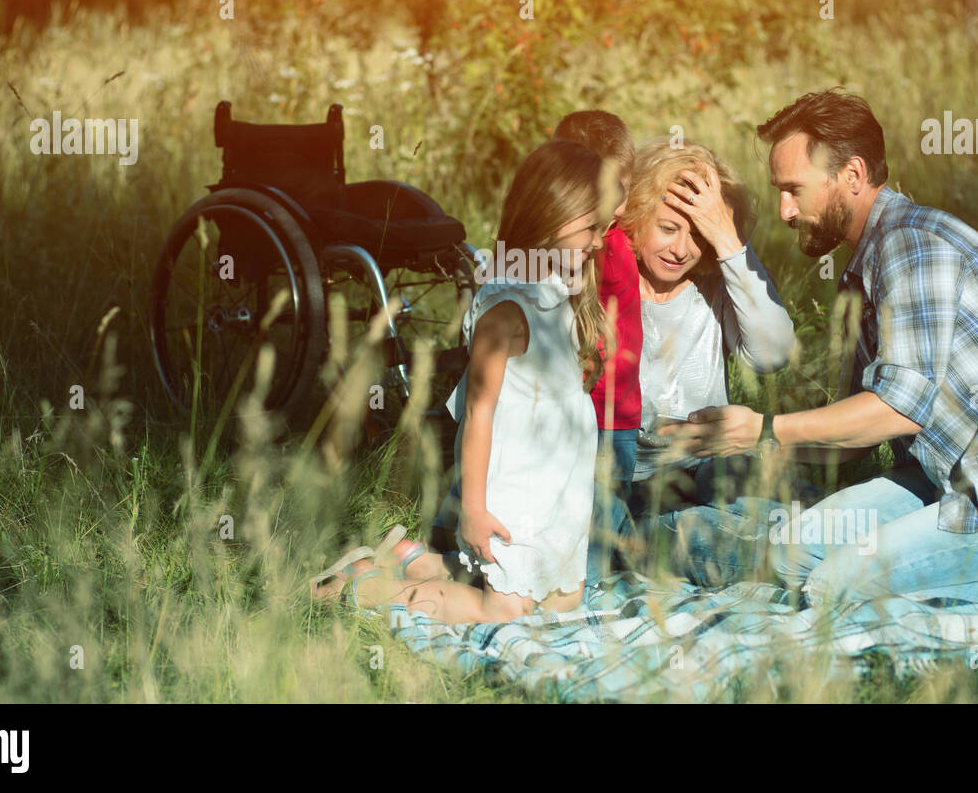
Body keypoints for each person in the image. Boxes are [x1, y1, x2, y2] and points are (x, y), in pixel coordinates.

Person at [670, 89, 978, 609]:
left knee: (835, 586)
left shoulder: (913, 246)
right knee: (790, 557)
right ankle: (977, 572)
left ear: (851, 175)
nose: (785, 210)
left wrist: (764, 428)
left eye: (794, 190)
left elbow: (897, 412)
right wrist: (737, 443)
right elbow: (855, 438)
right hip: (941, 485)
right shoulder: (863, 267)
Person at [314, 140, 612, 622]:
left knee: (565, 600)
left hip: (557, 483)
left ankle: (416, 560)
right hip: (514, 486)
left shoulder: (560, 290)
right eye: (591, 227)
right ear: (551, 216)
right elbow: (478, 412)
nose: (600, 241)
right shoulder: (508, 311)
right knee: (505, 612)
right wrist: (472, 507)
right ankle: (364, 590)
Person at [615, 138, 799, 585]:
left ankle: (797, 547)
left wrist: (729, 245)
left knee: (782, 503)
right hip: (631, 480)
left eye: (698, 233)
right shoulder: (609, 282)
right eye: (668, 228)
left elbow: (772, 354)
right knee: (697, 541)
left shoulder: (714, 283)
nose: (681, 249)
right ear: (636, 218)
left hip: (707, 466)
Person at [551, 111, 643, 594]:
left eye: (622, 189)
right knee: (578, 512)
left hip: (616, 416)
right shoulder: (582, 244)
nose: (615, 205)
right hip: (583, 410)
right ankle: (583, 587)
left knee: (602, 513)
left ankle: (592, 590)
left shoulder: (613, 243)